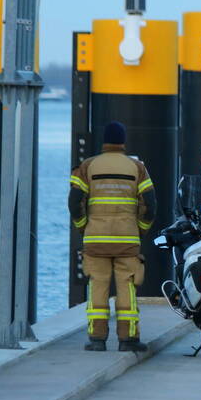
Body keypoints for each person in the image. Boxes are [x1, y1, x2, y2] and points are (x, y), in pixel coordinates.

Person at [68, 121, 157, 353]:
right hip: (127, 240)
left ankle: (97, 339)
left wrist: (83, 227)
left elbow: (74, 202)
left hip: (95, 240)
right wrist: (139, 230)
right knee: (127, 286)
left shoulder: (88, 166)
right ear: (123, 141)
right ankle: (128, 339)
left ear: (104, 141)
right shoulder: (137, 167)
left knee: (98, 286)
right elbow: (150, 205)